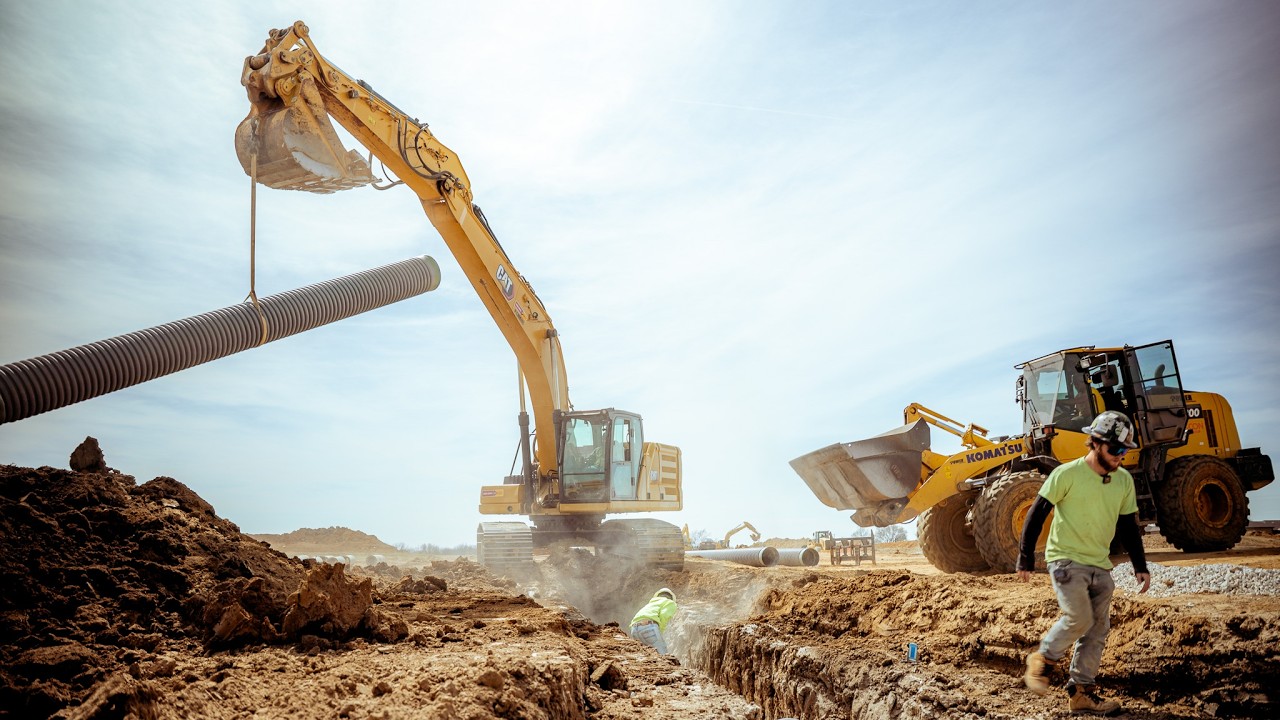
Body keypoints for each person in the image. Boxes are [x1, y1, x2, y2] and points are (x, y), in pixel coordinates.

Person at [1017, 410, 1152, 716]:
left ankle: (1082, 692)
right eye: (1115, 449)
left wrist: (1140, 565)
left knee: (1097, 629)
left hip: (1100, 565)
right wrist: (1025, 556)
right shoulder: (1066, 474)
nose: (1120, 456)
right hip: (1066, 559)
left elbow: (1129, 526)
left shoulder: (1124, 481)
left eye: (1123, 451)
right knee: (1078, 618)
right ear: (1095, 443)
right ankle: (1042, 661)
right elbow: (1036, 514)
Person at [629, 588, 677, 655]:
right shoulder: (669, 602)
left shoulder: (651, 604)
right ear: (671, 598)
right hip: (648, 627)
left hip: (634, 629)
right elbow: (664, 616)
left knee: (647, 655)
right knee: (662, 654)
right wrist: (660, 631)